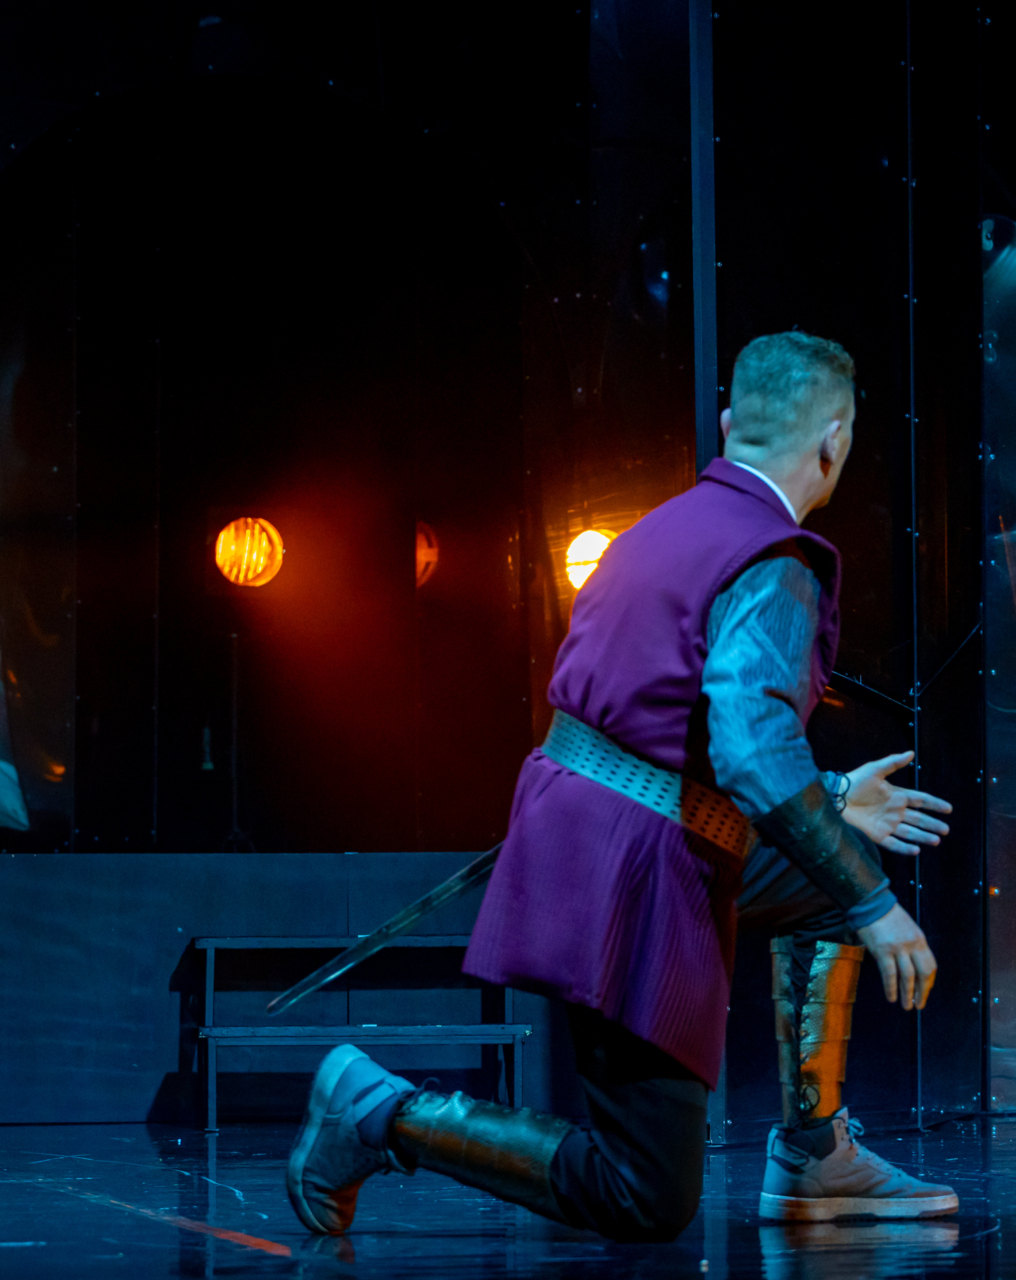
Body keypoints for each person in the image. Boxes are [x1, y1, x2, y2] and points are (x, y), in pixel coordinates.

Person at [285, 331, 959, 1240]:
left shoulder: (663, 528)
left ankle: (814, 1153)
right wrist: (877, 904)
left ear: (731, 422)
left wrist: (832, 803)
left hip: (598, 831)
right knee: (643, 1193)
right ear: (834, 441)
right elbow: (748, 752)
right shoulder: (773, 559)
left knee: (822, 882)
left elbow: (661, 723)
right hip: (635, 868)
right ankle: (378, 1112)